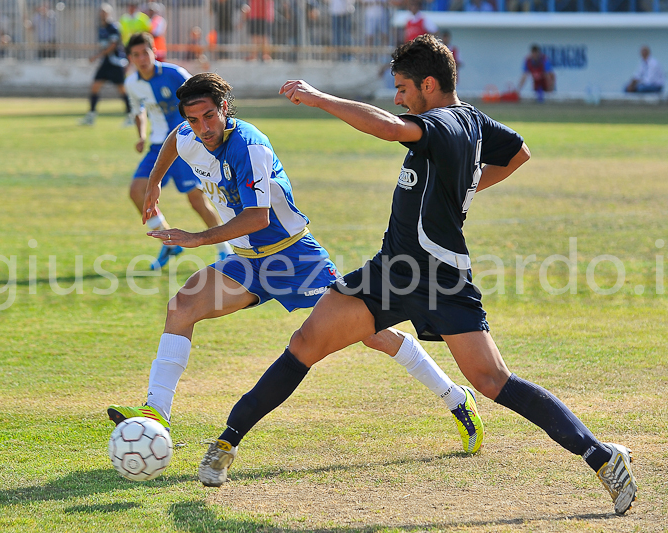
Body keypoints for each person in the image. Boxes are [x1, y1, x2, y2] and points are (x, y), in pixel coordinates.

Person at [197, 35, 638, 518]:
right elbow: (519, 152)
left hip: (442, 278)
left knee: (491, 380)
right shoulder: (473, 119)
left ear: (430, 85)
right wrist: (462, 189)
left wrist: (320, 98)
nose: (399, 98)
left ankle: (602, 456)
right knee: (305, 343)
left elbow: (389, 129)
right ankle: (226, 442)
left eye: (404, 88)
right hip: (391, 270)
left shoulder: (444, 124)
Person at [107, 72, 484, 462]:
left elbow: (257, 217)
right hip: (247, 262)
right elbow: (173, 141)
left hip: (295, 258)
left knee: (373, 334)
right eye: (193, 120)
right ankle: (156, 413)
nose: (202, 128)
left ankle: (457, 398)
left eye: (209, 116)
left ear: (224, 109)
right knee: (180, 307)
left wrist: (198, 238)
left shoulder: (249, 146)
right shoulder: (189, 135)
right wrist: (154, 182)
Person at [124, 32, 233, 269]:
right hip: (157, 146)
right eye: (136, 55)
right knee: (137, 191)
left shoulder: (174, 75)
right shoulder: (132, 83)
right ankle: (170, 245)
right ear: (130, 58)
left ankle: (225, 249)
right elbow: (137, 110)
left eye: (145, 52)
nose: (142, 58)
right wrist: (141, 135)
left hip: (183, 146)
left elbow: (200, 96)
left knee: (196, 200)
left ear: (154, 51)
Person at [79, 4, 132, 127]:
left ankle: (131, 115)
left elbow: (112, 46)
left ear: (109, 14)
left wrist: (96, 56)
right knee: (95, 87)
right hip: (106, 63)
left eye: (105, 12)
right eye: (101, 12)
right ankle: (91, 116)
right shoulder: (100, 28)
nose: (102, 14)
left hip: (115, 63)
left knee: (122, 90)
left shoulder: (113, 27)